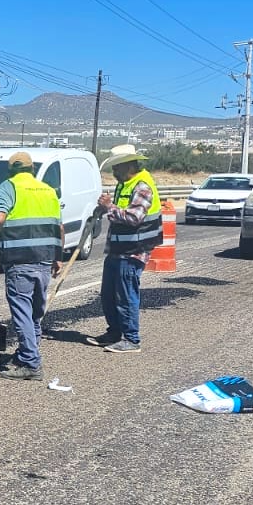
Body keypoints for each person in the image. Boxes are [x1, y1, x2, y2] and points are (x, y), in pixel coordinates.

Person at [0, 151, 65, 380]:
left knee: (21, 310)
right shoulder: (48, 190)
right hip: (44, 258)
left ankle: (31, 364)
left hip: (19, 258)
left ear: (11, 171)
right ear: (31, 170)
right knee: (35, 311)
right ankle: (27, 352)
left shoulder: (8, 186)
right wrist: (58, 256)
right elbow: (59, 227)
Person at [87, 144, 160, 354]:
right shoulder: (124, 185)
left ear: (128, 165)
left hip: (134, 250)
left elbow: (134, 217)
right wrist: (105, 208)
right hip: (118, 249)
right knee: (108, 294)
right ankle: (114, 333)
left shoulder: (142, 186)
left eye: (116, 168)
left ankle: (131, 339)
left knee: (126, 296)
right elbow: (119, 211)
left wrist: (110, 208)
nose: (114, 172)